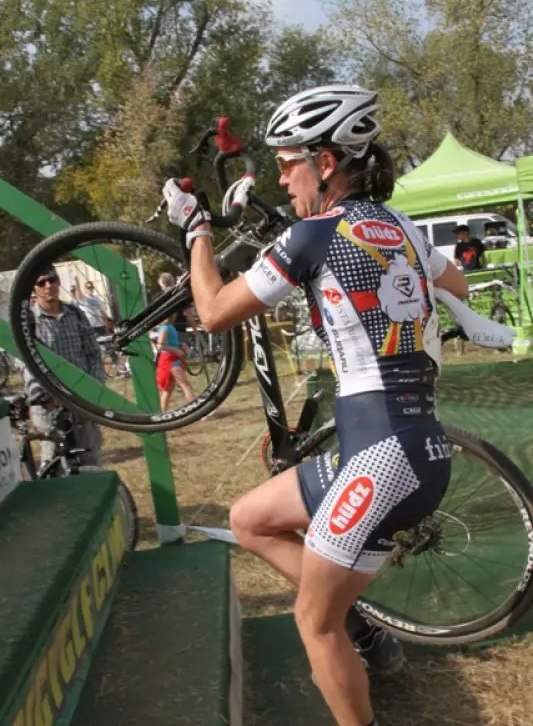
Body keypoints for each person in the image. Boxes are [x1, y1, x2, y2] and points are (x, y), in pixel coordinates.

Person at [162, 84, 469, 726]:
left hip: (382, 458)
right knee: (249, 518)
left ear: (324, 162)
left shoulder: (313, 234)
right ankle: (345, 593)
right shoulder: (401, 226)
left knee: (313, 624)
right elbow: (457, 283)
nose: (281, 176)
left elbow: (214, 312)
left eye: (286, 162)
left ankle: (344, 624)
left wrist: (195, 230)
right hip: (411, 443)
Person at [24, 265, 105, 467]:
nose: (48, 285)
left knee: (90, 458)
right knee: (52, 461)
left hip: (81, 401)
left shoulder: (76, 314)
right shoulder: (28, 321)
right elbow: (25, 362)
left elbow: (93, 353)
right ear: (34, 288)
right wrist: (40, 393)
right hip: (48, 403)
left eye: (52, 279)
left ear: (59, 281)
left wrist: (94, 387)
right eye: (41, 282)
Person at [154, 316, 195, 410]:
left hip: (172, 358)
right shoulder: (166, 327)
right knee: (185, 385)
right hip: (170, 359)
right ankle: (195, 409)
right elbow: (160, 346)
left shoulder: (169, 327)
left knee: (168, 390)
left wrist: (181, 344)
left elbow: (170, 342)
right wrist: (176, 351)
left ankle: (162, 414)